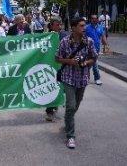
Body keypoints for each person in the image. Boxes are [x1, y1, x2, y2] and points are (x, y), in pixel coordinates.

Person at [55, 17, 97, 149]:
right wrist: (70, 62)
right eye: (81, 26)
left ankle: (68, 121)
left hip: (82, 79)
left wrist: (85, 63)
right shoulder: (65, 42)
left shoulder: (88, 41)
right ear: (73, 27)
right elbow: (57, 58)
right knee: (71, 106)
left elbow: (94, 57)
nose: (84, 28)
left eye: (84, 25)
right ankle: (71, 136)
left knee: (75, 105)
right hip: (68, 78)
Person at [45, 16, 68, 121]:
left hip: (62, 66)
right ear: (51, 25)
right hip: (50, 66)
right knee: (51, 88)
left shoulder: (65, 36)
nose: (58, 26)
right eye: (56, 25)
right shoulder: (47, 36)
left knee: (62, 88)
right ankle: (50, 111)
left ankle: (57, 104)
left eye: (60, 24)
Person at [85, 14, 107, 85]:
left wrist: (105, 45)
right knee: (93, 64)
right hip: (87, 49)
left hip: (96, 49)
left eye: (95, 18)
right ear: (90, 19)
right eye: (92, 18)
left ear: (97, 19)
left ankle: (86, 77)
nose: (94, 20)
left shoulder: (100, 27)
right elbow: (82, 36)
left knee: (91, 64)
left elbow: (103, 36)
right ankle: (97, 78)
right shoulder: (86, 27)